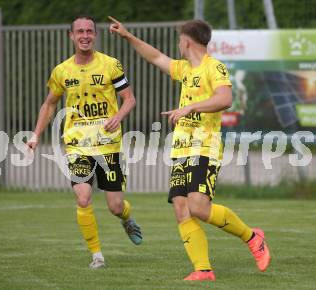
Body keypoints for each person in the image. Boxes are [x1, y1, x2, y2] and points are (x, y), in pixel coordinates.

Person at [109, 16, 270, 281]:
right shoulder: (185, 69)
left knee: (198, 208)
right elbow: (156, 57)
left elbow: (225, 98)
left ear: (187, 41)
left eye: (179, 40)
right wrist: (128, 36)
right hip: (182, 148)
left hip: (204, 147)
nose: (177, 45)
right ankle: (203, 269)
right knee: (181, 208)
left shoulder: (213, 67)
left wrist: (190, 106)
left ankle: (253, 237)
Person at [26, 15, 142, 270]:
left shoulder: (111, 65)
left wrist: (118, 117)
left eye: (89, 31)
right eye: (80, 31)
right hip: (77, 145)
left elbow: (129, 99)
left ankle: (126, 217)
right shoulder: (62, 71)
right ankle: (97, 256)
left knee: (115, 206)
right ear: (71, 36)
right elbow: (49, 103)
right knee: (83, 197)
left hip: (108, 144)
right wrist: (36, 134)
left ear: (95, 35)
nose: (85, 35)